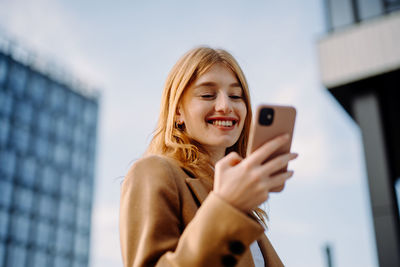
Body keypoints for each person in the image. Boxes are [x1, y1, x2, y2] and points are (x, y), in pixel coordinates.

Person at [119, 46, 298, 267]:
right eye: (207, 95)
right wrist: (228, 207)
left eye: (235, 96)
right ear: (178, 112)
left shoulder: (244, 205)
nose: (225, 106)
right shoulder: (154, 171)